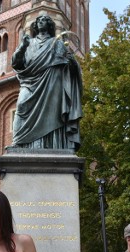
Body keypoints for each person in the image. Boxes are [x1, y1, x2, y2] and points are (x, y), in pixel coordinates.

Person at [11, 14, 83, 151]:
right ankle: (18, 141)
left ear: (50, 25)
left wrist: (72, 61)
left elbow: (68, 66)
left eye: (44, 20)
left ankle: (52, 145)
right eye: (39, 20)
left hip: (52, 82)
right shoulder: (28, 43)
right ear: (35, 25)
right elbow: (16, 63)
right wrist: (22, 47)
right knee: (21, 105)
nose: (41, 22)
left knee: (53, 114)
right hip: (30, 81)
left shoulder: (57, 43)